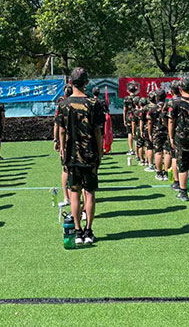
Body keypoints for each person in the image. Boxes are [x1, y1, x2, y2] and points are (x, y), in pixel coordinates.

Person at [56, 67, 105, 245]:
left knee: (74, 193)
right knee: (89, 193)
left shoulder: (63, 104)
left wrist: (62, 149)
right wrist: (100, 151)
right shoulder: (94, 103)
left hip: (71, 154)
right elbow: (98, 131)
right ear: (87, 82)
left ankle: (77, 231)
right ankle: (89, 231)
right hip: (90, 153)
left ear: (70, 82)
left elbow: (61, 130)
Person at [168, 77, 189, 202]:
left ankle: (183, 192)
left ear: (180, 88)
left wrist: (171, 136)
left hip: (181, 137)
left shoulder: (175, 102)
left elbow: (171, 121)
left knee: (182, 165)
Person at [54, 84, 73, 208]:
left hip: (66, 142)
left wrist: (57, 141)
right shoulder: (84, 103)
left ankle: (67, 198)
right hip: (80, 142)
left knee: (66, 169)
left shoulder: (62, 106)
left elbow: (58, 126)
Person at [150, 89, 171, 181]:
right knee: (167, 152)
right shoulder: (169, 107)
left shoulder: (153, 109)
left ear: (156, 98)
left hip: (157, 132)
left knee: (158, 152)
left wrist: (149, 133)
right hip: (168, 131)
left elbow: (150, 122)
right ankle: (166, 173)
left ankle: (159, 173)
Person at [166, 80, 181, 190]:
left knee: (175, 157)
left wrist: (171, 135)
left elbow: (169, 120)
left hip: (176, 133)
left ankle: (177, 181)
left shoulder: (171, 102)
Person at [123, 82, 139, 156]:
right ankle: (137, 149)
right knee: (136, 132)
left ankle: (131, 149)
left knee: (130, 133)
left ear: (128, 90)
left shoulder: (126, 98)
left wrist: (124, 119)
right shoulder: (138, 98)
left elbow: (125, 109)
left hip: (129, 116)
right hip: (137, 116)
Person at [143, 92, 156, 173]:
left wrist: (141, 130)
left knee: (149, 147)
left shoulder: (145, 108)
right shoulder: (159, 106)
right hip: (159, 128)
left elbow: (142, 120)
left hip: (148, 128)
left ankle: (150, 164)